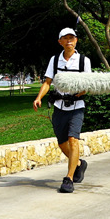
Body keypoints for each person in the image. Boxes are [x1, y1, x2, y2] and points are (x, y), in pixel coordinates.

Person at [33, 27, 91, 194]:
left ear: (76, 41)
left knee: (73, 140)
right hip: (59, 106)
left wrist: (83, 90)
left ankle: (69, 178)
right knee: (61, 142)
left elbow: (89, 83)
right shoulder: (55, 59)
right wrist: (38, 98)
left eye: (72, 37)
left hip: (77, 106)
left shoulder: (83, 61)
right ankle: (79, 164)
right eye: (65, 38)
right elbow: (47, 82)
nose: (69, 40)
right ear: (60, 42)